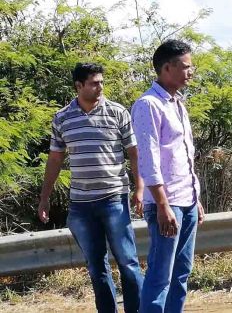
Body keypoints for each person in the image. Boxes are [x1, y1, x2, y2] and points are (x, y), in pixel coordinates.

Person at [38, 63, 144, 313]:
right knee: (96, 267)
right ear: (79, 86)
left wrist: (140, 188)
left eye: (102, 82)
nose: (101, 87)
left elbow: (134, 152)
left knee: (128, 262)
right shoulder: (62, 117)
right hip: (81, 204)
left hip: (114, 198)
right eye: (95, 83)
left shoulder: (117, 112)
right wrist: (45, 198)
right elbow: (55, 159)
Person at [132, 39, 205, 313]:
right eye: (185, 67)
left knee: (181, 275)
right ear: (166, 68)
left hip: (186, 200)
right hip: (167, 203)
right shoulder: (148, 105)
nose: (191, 72)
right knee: (160, 274)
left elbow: (184, 155)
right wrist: (162, 205)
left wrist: (195, 197)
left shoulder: (178, 104)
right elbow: (148, 159)